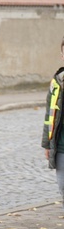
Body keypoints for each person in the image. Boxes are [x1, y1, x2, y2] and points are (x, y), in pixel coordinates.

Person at [41, 35, 64, 208]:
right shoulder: (57, 82)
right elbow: (50, 114)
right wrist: (47, 144)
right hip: (61, 146)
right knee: (63, 187)